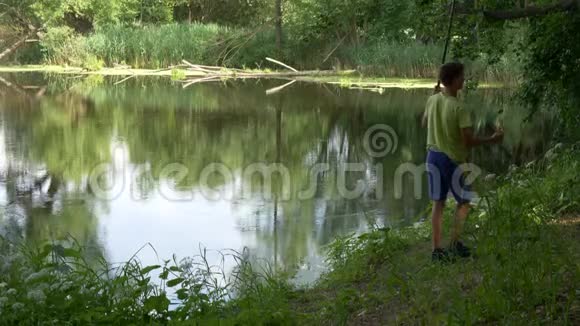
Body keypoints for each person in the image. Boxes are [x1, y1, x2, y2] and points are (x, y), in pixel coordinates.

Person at [423, 62, 504, 262]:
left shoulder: (432, 100)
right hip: (451, 160)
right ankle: (454, 245)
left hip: (432, 157)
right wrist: (492, 139)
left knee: (438, 203)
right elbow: (467, 142)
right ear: (452, 80)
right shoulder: (459, 108)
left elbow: (424, 122)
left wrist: (433, 97)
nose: (464, 80)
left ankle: (436, 251)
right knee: (465, 202)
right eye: (461, 77)